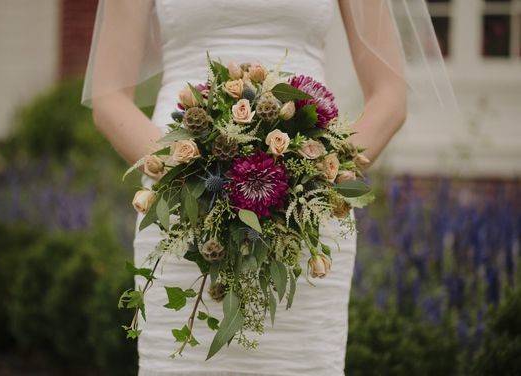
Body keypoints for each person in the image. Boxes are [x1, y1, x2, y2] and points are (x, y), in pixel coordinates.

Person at [83, 1, 452, 375]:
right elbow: (109, 99)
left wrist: (317, 173)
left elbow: (390, 96)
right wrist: (188, 169)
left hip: (307, 212)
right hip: (182, 205)